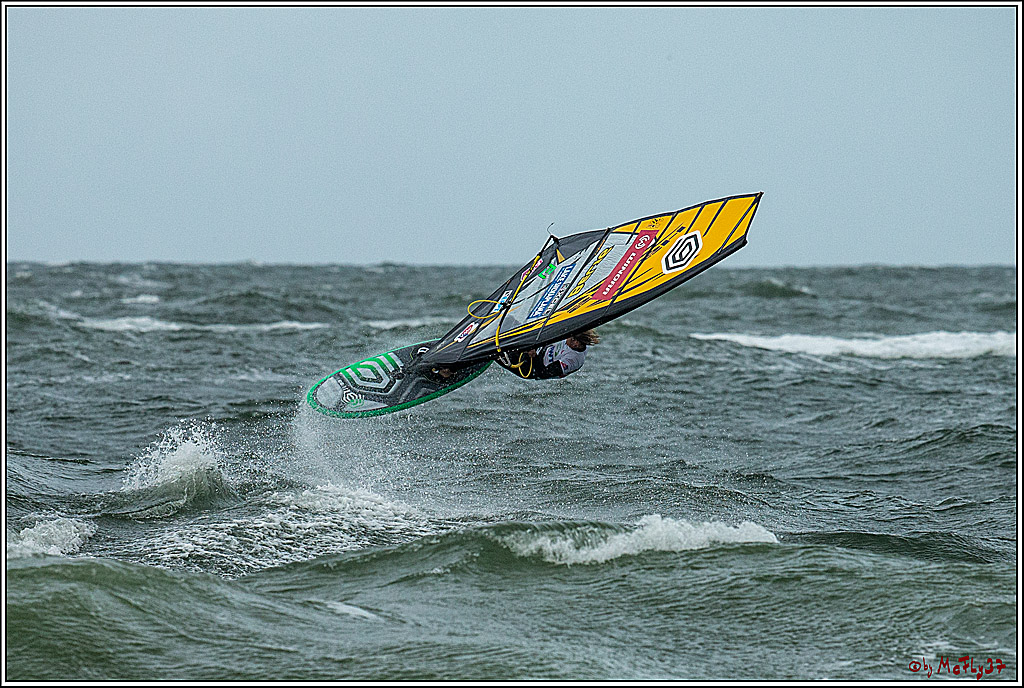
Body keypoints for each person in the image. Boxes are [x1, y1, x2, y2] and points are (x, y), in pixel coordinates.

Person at [498, 328, 600, 380]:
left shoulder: (572, 360)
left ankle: (485, 353)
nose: (568, 338)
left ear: (576, 343)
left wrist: (533, 356)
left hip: (532, 368)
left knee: (498, 354)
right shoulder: (573, 339)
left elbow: (543, 373)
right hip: (539, 349)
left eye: (572, 338)